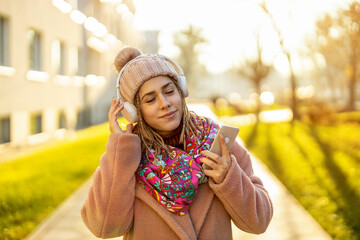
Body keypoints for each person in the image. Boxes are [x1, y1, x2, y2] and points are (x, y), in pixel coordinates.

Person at [81, 47, 273, 239]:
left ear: (181, 91)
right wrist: (120, 153)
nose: (164, 103)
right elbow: (103, 228)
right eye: (150, 99)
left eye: (169, 91)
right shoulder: (127, 156)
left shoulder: (219, 143)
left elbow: (259, 221)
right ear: (134, 111)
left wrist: (228, 177)